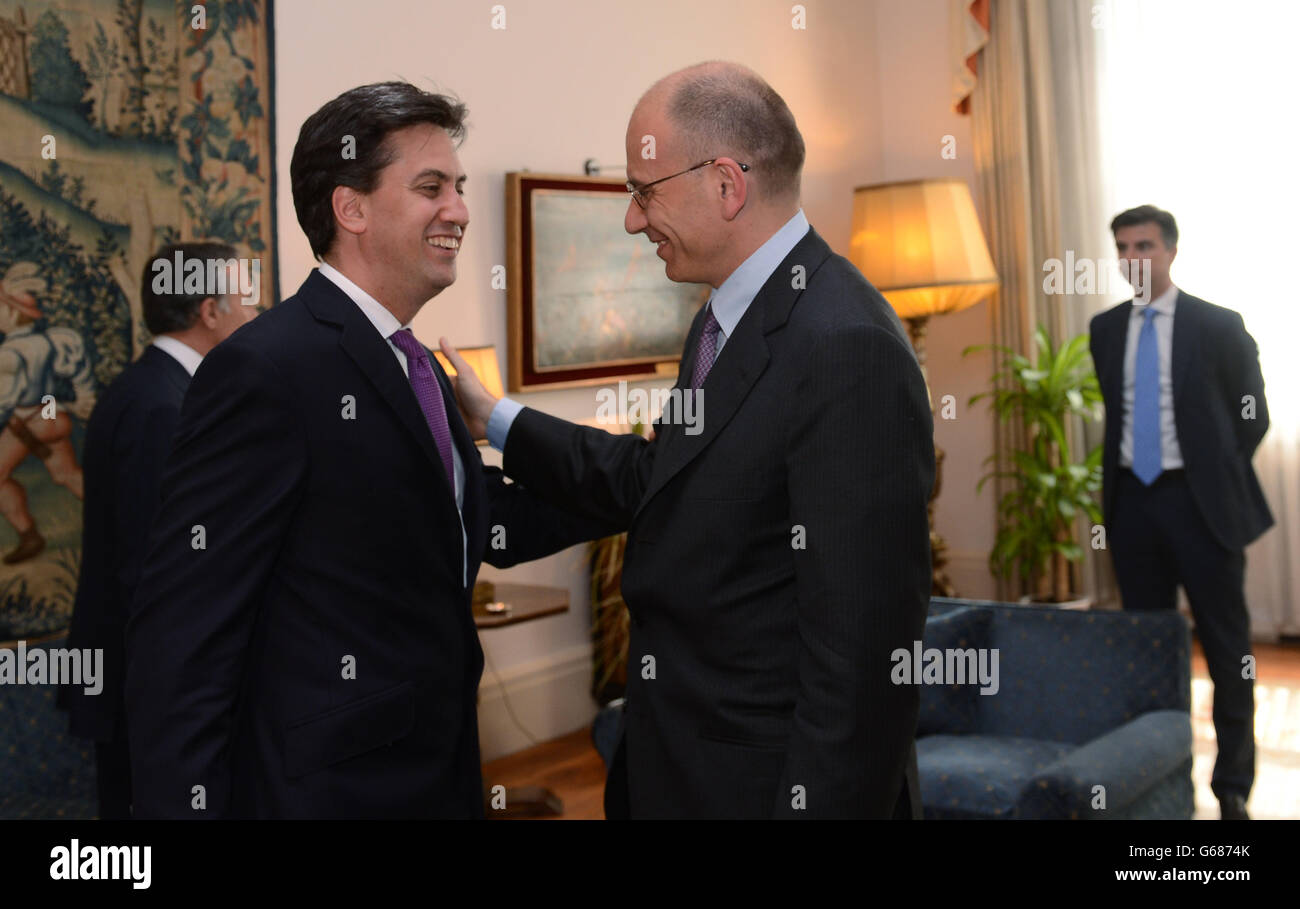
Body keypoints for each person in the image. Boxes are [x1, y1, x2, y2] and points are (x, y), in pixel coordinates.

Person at [444, 61, 934, 819]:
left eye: (644, 191)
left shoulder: (845, 345)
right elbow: (659, 477)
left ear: (727, 184)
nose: (633, 220)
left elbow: (863, 665)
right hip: (682, 768)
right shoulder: (722, 319)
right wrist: (497, 417)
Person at [124, 82, 612, 819]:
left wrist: (644, 478)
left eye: (457, 186)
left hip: (432, 764)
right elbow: (184, 631)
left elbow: (469, 518)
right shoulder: (267, 368)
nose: (459, 209)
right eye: (430, 188)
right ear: (350, 209)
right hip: (331, 788)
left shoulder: (410, 360)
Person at [58, 243, 257, 819]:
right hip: (151, 688)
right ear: (210, 310)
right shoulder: (162, 408)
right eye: (247, 301)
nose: (254, 315)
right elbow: (158, 571)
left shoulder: (154, 389)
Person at [1089, 204, 1271, 821]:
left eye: (1144, 246)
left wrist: (1212, 472)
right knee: (1148, 647)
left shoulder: (1218, 326)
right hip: (1132, 504)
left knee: (1228, 649)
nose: (1133, 259)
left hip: (1201, 506)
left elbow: (1252, 415)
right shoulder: (1105, 328)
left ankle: (1233, 787)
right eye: (1122, 248)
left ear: (1170, 251)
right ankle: (1163, 776)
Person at [0, 262, 97, 562]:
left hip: (28, 421)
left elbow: (5, 399)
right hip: (52, 413)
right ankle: (116, 517)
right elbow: (70, 374)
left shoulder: (9, 354)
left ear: (13, 312)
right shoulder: (49, 341)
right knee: (67, 474)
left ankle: (29, 534)